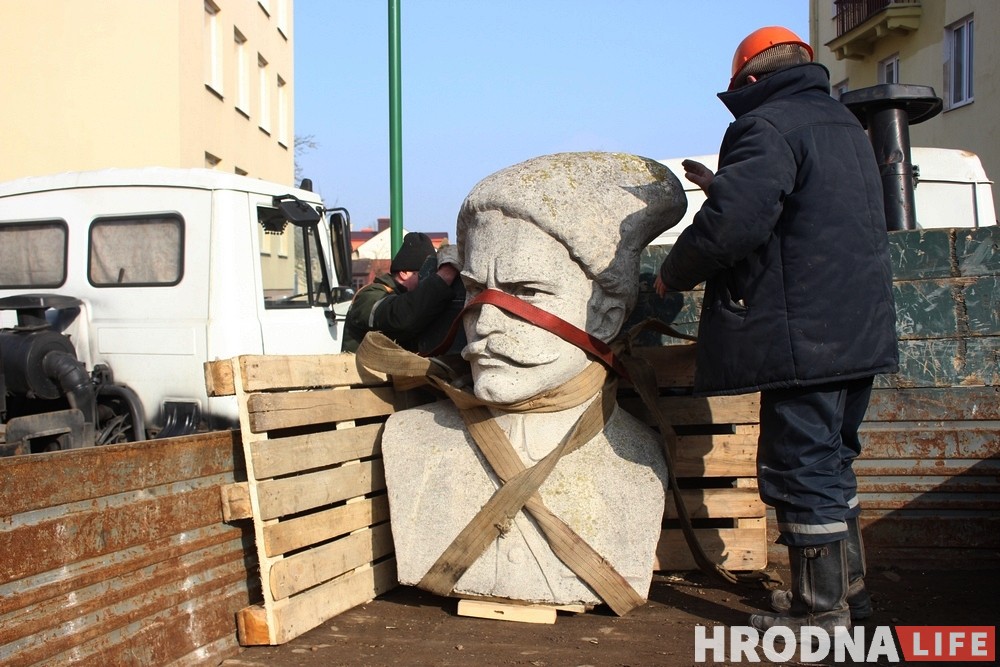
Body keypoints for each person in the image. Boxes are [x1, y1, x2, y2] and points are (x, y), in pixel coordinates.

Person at [654, 27, 898, 633]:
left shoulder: (764, 125)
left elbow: (735, 228)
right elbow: (807, 214)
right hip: (857, 329)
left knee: (799, 468)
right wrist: (723, 189)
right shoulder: (843, 126)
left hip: (803, 338)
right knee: (832, 462)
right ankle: (849, 600)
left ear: (751, 82)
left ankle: (821, 617)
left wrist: (670, 277)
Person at [373, 152, 686, 611]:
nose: (485, 321)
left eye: (527, 291)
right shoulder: (410, 442)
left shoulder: (640, 464)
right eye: (477, 289)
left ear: (606, 313)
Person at [341, 231, 460, 353]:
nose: (428, 278)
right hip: (357, 370)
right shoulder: (369, 296)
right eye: (424, 273)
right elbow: (400, 318)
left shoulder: (416, 301)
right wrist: (444, 276)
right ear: (404, 273)